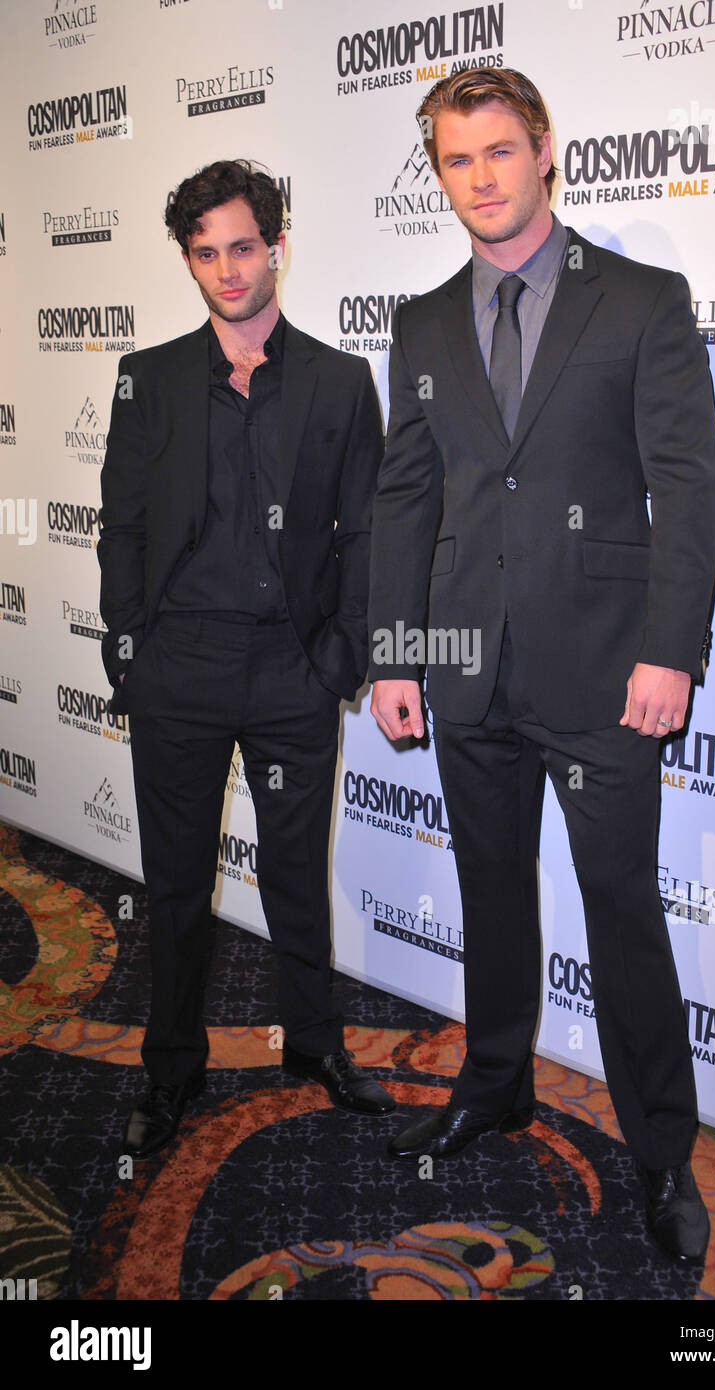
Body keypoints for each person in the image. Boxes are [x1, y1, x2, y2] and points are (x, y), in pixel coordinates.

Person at [368, 71, 715, 1264]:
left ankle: (664, 1152)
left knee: (624, 915)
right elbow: (407, 497)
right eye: (459, 161)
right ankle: (498, 1076)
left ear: (546, 152)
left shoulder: (638, 301)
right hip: (466, 665)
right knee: (491, 887)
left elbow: (688, 486)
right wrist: (400, 651)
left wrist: (672, 648)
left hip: (609, 671)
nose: (483, 179)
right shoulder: (419, 326)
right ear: (442, 174)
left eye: (501, 153)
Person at [98, 159, 393, 1159]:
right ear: (189, 259)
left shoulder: (342, 383)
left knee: (295, 875)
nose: (226, 270)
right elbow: (122, 527)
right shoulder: (149, 378)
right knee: (175, 884)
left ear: (276, 246)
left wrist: (339, 657)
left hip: (290, 669)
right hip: (177, 667)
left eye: (241, 246)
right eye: (205, 253)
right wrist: (128, 648)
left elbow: (365, 535)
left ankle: (314, 1045)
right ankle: (170, 1067)